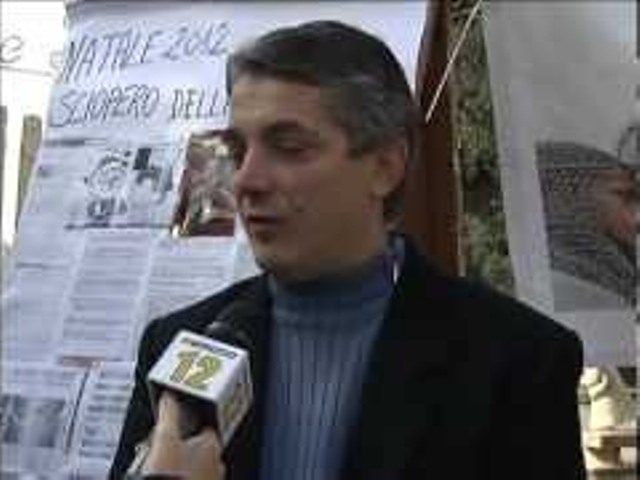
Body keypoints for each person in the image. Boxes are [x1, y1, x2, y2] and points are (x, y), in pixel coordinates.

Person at [111, 21, 586, 480]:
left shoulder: (517, 359)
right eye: (238, 152)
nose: (246, 181)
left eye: (289, 147)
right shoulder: (179, 343)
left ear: (385, 167)